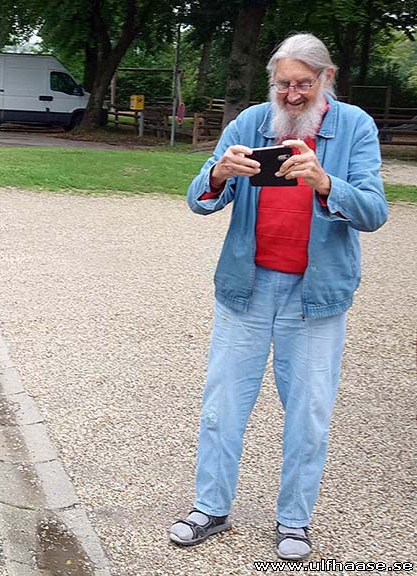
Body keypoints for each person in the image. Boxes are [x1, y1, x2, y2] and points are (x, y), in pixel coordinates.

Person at [168, 33, 388, 561]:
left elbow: (375, 211)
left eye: (303, 84)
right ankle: (211, 508)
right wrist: (218, 173)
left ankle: (294, 521)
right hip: (246, 289)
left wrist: (326, 181)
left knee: (308, 412)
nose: (292, 94)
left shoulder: (355, 125)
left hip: (316, 298)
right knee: (222, 406)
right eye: (284, 83)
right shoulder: (250, 122)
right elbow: (200, 200)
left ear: (325, 79)